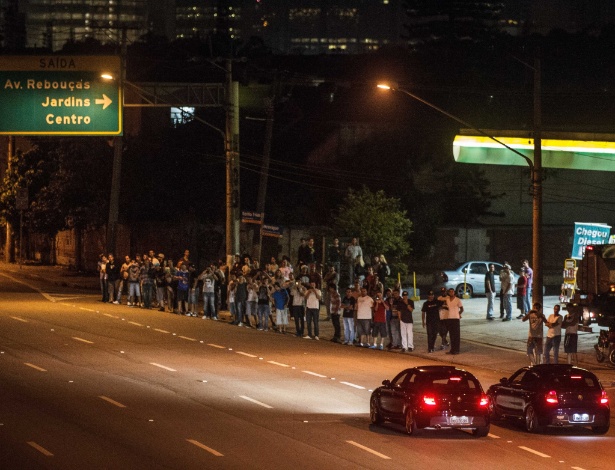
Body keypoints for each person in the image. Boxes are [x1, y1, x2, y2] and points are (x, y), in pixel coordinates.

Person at [438, 288, 463, 355]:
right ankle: (452, 350)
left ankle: (457, 350)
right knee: (451, 335)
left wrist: (459, 314)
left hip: (456, 318)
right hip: (449, 318)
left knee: (456, 335)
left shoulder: (457, 300)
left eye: (452, 291)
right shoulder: (447, 299)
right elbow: (440, 300)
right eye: (450, 292)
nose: (451, 293)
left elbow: (462, 309)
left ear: (454, 292)